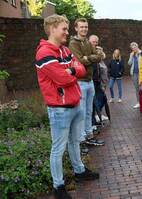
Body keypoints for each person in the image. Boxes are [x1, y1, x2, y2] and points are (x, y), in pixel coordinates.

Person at [35, 14, 99, 199]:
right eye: (63, 29)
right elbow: (61, 79)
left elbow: (81, 69)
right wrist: (71, 71)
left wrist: (70, 70)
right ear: (52, 29)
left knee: (75, 141)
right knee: (58, 148)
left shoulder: (64, 50)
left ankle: (79, 171)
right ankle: (58, 186)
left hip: (74, 103)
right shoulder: (44, 52)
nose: (67, 32)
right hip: (59, 109)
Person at [69, 18, 104, 147]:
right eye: (81, 27)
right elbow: (80, 61)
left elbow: (98, 57)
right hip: (80, 82)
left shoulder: (88, 42)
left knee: (89, 111)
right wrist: (90, 58)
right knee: (82, 112)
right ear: (76, 28)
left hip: (90, 81)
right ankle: (81, 139)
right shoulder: (73, 43)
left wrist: (87, 57)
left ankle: (89, 135)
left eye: (86, 27)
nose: (84, 29)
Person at [89, 35, 109, 122]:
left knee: (101, 99)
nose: (95, 43)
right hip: (92, 81)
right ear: (89, 41)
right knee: (95, 100)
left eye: (96, 42)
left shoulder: (99, 58)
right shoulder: (89, 52)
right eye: (93, 41)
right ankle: (95, 116)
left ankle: (97, 114)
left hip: (98, 81)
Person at [128, 42, 142, 109]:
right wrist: (131, 56)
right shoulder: (132, 54)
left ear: (137, 46)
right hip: (134, 73)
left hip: (141, 73)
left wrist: (139, 55)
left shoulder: (141, 53)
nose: (134, 49)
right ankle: (138, 102)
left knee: (141, 88)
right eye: (132, 48)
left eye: (134, 47)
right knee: (137, 89)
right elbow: (129, 63)